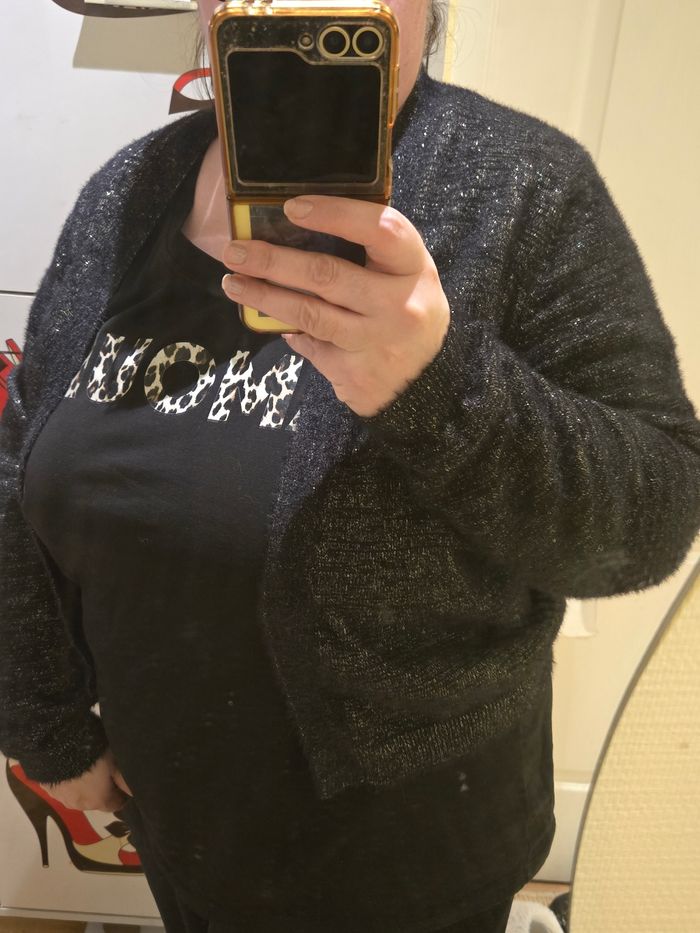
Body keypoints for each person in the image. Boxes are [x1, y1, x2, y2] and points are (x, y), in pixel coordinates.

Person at [2, 1, 700, 931]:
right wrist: (44, 721)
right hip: (180, 823)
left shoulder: (526, 185)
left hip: (414, 863)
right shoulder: (129, 189)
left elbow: (654, 515)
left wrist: (441, 388)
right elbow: (17, 474)